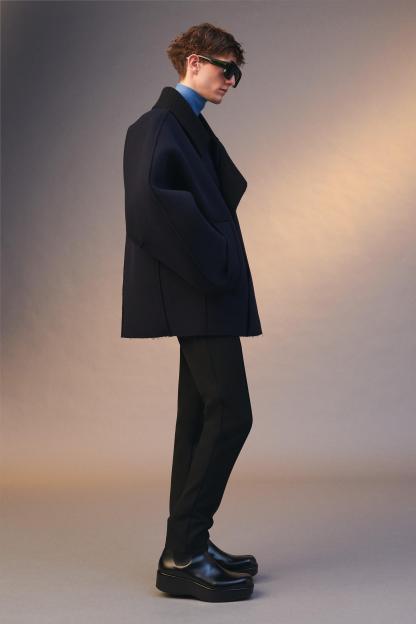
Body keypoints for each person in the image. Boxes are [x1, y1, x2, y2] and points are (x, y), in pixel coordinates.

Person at [121, 22, 262, 602]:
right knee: (231, 414)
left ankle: (187, 546)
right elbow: (148, 206)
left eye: (237, 73)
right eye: (226, 69)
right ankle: (182, 552)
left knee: (201, 417)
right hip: (198, 293)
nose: (232, 81)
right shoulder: (157, 125)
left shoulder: (190, 126)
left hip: (205, 292)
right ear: (194, 61)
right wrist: (215, 261)